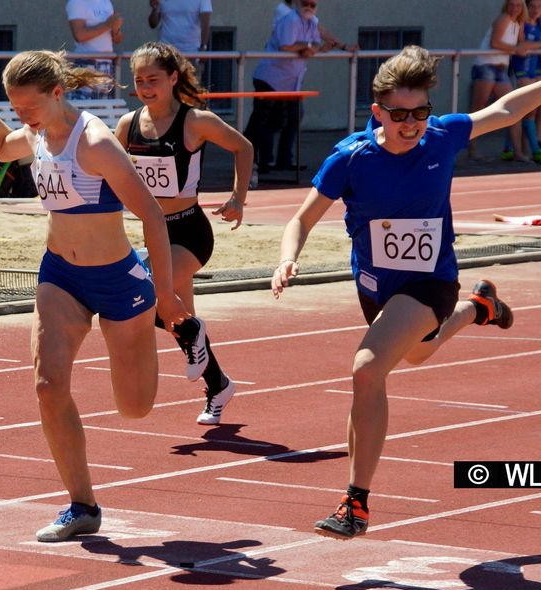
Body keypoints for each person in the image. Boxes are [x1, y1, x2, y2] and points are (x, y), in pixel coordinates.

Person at [269, 45, 541, 540]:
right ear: (378, 112)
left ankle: (357, 503)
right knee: (417, 353)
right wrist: (289, 257)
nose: (411, 123)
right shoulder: (351, 158)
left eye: (420, 112)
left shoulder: (442, 137)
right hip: (376, 287)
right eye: (400, 115)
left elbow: (506, 109)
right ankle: (479, 307)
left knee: (368, 368)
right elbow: (301, 218)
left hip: (431, 280)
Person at [0, 50, 187, 542]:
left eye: (30, 108)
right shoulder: (36, 134)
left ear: (58, 94)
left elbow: (151, 216)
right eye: (16, 109)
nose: (23, 119)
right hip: (60, 274)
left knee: (135, 407)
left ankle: (144, 324)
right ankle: (82, 505)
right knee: (47, 385)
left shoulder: (96, 144)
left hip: (120, 280)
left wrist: (165, 296)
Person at [114, 42, 253, 425]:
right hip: (153, 231)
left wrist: (238, 198)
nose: (145, 87)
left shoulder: (195, 121)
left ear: (173, 78)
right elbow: (108, 167)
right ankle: (219, 385)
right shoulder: (128, 126)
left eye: (153, 79)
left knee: (153, 295)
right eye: (139, 81)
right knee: (176, 315)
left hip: (189, 231)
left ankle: (195, 333)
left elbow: (243, 147)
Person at [244, 0, 354, 189]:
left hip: (290, 83)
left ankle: (279, 161)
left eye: (313, 4)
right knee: (261, 122)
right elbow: (287, 45)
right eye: (306, 3)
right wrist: (308, 46)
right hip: (271, 79)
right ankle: (252, 161)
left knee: (289, 119)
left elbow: (319, 38)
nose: (309, 7)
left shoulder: (311, 21)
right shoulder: (291, 19)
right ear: (297, 3)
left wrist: (337, 46)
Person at [468, 0, 532, 161]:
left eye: (518, 5)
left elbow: (521, 43)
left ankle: (518, 152)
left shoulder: (518, 23)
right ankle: (471, 149)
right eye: (511, 4)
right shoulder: (503, 18)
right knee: (478, 107)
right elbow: (495, 43)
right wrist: (517, 49)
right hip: (486, 65)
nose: (514, 8)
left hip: (501, 68)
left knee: (513, 108)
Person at [504, 0, 541, 161]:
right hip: (520, 70)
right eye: (532, 6)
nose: (535, 10)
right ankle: (535, 150)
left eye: (539, 7)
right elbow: (522, 45)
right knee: (524, 109)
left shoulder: (538, 26)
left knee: (529, 110)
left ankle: (508, 147)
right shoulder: (521, 24)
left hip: (534, 71)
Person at [65, 0, 123, 99]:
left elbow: (117, 39)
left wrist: (116, 28)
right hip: (86, 65)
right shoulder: (77, 2)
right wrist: (107, 24)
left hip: (107, 65)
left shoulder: (106, 2)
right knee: (84, 109)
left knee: (106, 110)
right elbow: (80, 35)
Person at [148, 0, 212, 80]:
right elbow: (153, 24)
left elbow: (205, 24)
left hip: (191, 52)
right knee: (166, 87)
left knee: (189, 89)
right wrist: (155, 8)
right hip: (166, 52)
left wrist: (204, 47)